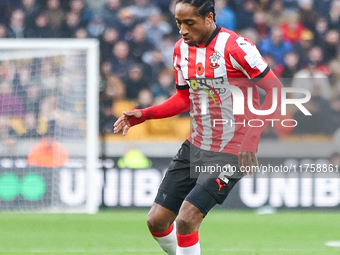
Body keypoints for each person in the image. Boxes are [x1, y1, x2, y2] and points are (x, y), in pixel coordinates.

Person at [114, 0, 283, 254]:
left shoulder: (235, 46)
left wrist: (251, 139)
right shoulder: (180, 50)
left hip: (232, 148)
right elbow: (184, 97)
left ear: (209, 18)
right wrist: (145, 114)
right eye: (178, 23)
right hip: (197, 144)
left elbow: (275, 90)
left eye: (189, 23)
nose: (182, 30)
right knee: (157, 220)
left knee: (186, 218)